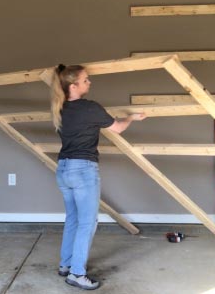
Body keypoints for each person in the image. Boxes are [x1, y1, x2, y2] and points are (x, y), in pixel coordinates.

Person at [50, 63, 146, 290]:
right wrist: (132, 117)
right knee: (87, 223)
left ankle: (65, 265)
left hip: (63, 168)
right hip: (83, 170)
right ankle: (76, 274)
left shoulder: (60, 108)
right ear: (73, 85)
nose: (89, 82)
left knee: (73, 219)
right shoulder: (90, 108)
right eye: (85, 80)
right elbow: (119, 128)